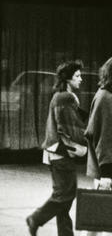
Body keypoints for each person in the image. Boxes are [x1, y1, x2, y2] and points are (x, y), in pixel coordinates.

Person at [26, 60, 87, 236]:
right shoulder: (64, 98)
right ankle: (36, 218)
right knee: (65, 195)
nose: (81, 79)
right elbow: (70, 127)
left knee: (63, 195)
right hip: (61, 153)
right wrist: (86, 143)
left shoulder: (61, 96)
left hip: (55, 152)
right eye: (77, 76)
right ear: (68, 79)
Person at [85, 56, 112, 236]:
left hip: (107, 169)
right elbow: (102, 138)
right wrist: (106, 174)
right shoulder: (106, 98)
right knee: (96, 222)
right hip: (108, 171)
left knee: (98, 222)